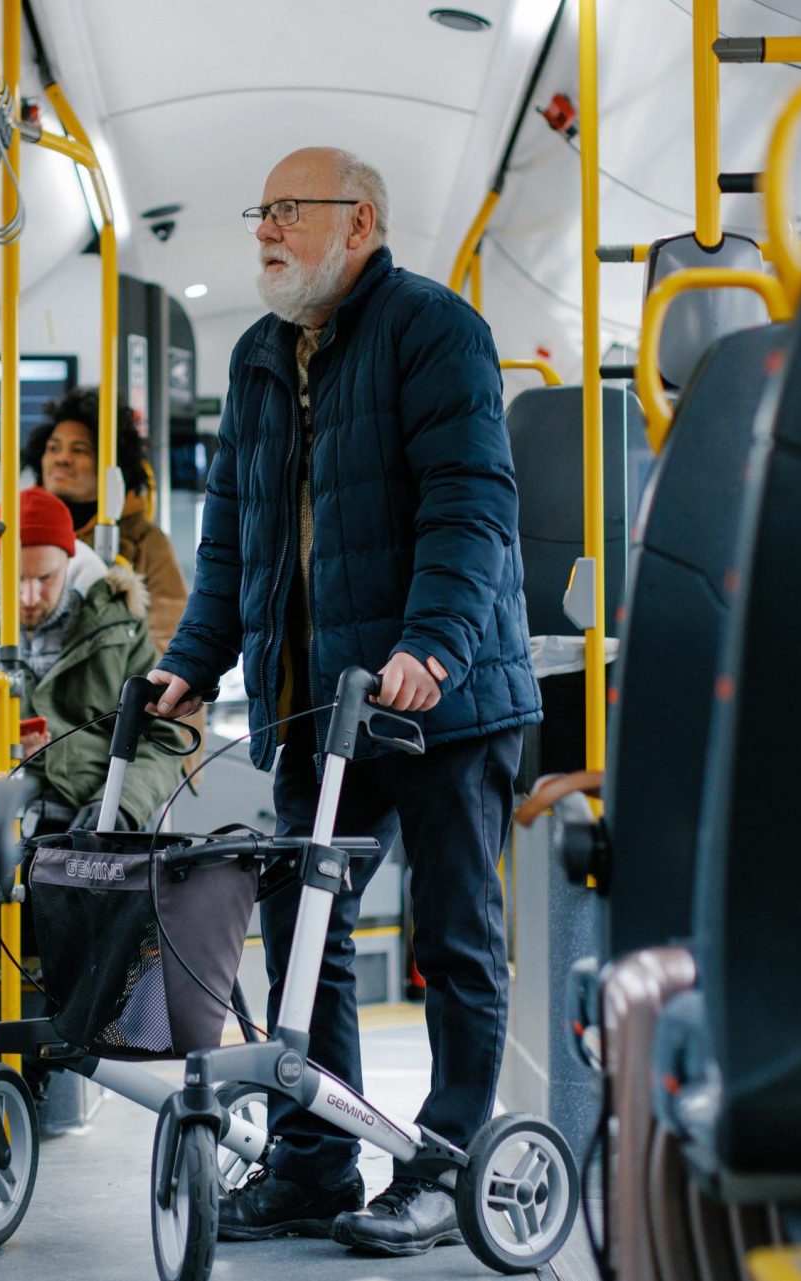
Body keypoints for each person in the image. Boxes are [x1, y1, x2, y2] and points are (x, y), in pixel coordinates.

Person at [146, 147, 541, 1256]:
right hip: (321, 708)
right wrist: (195, 658)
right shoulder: (259, 356)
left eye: (286, 211)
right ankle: (316, 1159)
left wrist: (437, 642)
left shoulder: (435, 330)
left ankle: (446, 1162)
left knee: (454, 933)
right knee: (303, 927)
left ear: (357, 221)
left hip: (440, 698)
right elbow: (234, 538)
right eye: (258, 211)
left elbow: (471, 507)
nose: (263, 229)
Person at [0, 485, 180, 829]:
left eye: (46, 578)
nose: (29, 596)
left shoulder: (119, 629)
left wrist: (120, 806)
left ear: (69, 563)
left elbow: (160, 740)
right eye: (16, 578)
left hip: (87, 812)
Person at [23, 387, 189, 655]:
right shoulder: (9, 525)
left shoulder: (146, 541)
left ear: (110, 467)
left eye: (79, 450)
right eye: (53, 448)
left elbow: (168, 633)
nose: (62, 459)